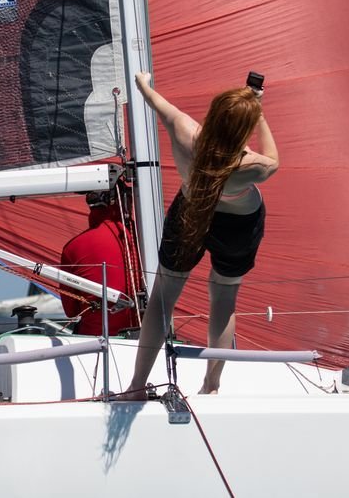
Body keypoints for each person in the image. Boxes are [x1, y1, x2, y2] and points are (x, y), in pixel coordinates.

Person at [125, 72, 278, 397]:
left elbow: (155, 100)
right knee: (224, 296)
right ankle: (211, 387)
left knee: (163, 297)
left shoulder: (183, 130)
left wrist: (143, 83)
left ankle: (137, 385)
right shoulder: (254, 166)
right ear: (244, 130)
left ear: (213, 114)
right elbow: (273, 159)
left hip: (190, 214)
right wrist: (259, 113)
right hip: (239, 225)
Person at [60, 187, 141, 336]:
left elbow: (71, 311)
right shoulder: (145, 239)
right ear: (122, 200)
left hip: (95, 341)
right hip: (149, 339)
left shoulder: (72, 247)